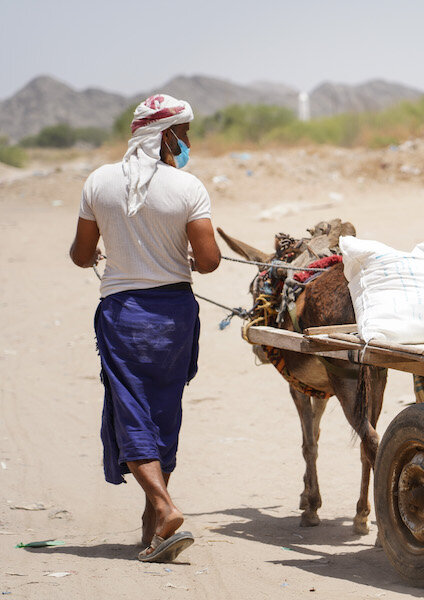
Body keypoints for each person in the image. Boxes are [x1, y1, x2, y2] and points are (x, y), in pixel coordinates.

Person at [69, 94, 220, 563]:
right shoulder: (188, 187)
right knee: (163, 411)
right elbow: (210, 261)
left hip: (122, 314)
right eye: (185, 132)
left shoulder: (98, 182)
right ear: (167, 135)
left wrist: (104, 250)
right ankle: (156, 520)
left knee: (130, 411)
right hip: (174, 316)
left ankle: (161, 507)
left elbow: (79, 254)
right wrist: (185, 253)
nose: (189, 142)